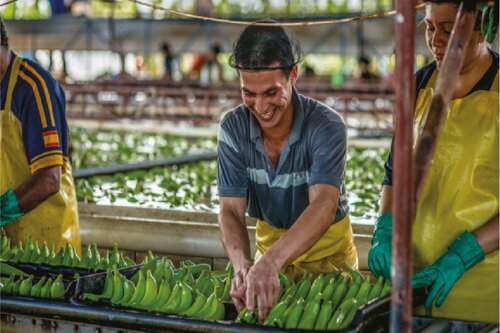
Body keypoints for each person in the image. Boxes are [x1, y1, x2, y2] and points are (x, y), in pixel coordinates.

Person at [217, 22, 358, 321]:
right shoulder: (232, 128)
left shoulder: (326, 126)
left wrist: (270, 263)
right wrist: (244, 267)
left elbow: (323, 205)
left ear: (293, 75)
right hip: (267, 261)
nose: (260, 106)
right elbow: (230, 210)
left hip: (329, 264)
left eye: (271, 92)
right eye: (248, 93)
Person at [368, 0, 498, 323]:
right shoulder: (417, 86)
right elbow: (393, 174)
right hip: (414, 287)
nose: (435, 40)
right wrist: (384, 228)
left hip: (483, 295)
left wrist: (462, 255)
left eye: (448, 29)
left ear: (480, 30)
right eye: (429, 27)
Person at [0, 19, 81, 254]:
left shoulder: (34, 87)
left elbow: (49, 179)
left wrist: (1, 212)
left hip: (49, 249)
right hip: (8, 248)